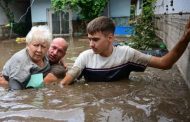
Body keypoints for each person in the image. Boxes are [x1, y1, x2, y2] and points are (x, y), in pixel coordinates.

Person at [59, 16, 190, 86]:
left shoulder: (127, 54)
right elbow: (64, 84)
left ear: (110, 38)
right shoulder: (85, 57)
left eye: (95, 40)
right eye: (89, 39)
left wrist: (184, 39)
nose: (91, 44)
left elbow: (164, 64)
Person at [1, 25, 52, 90]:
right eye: (36, 45)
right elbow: (15, 89)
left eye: (43, 46)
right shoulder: (21, 60)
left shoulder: (47, 55)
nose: (39, 50)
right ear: (27, 45)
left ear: (47, 48)